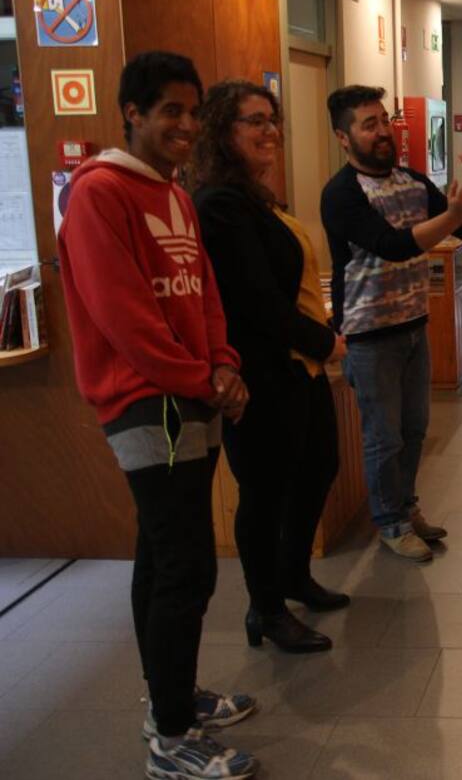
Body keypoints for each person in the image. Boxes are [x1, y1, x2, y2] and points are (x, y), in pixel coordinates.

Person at [57, 51, 258, 780]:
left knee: (162, 553)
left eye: (193, 111)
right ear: (132, 113)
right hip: (148, 402)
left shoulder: (173, 191)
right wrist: (203, 377)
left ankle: (170, 696)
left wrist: (224, 361)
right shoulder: (99, 194)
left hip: (195, 392)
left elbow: (202, 291)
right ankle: (171, 737)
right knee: (187, 566)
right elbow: (125, 317)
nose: (186, 124)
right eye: (170, 110)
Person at [192, 81, 349, 655]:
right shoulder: (219, 205)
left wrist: (316, 345)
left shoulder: (254, 197)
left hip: (297, 368)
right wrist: (326, 341)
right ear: (221, 132)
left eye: (271, 119)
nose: (269, 131)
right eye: (253, 121)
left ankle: (292, 576)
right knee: (265, 492)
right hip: (259, 374)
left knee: (317, 467)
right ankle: (265, 608)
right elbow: (255, 301)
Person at [320, 86, 462, 561]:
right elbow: (393, 245)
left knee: (415, 429)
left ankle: (406, 507)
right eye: (368, 125)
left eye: (384, 121)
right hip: (368, 333)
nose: (382, 132)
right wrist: (456, 213)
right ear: (343, 137)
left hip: (414, 323)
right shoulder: (341, 194)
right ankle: (390, 523)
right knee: (384, 436)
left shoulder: (413, 182)